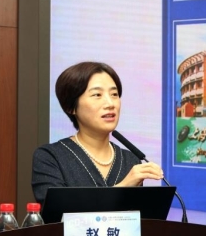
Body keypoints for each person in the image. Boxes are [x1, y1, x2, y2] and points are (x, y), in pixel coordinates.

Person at [31, 61, 164, 205]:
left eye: (114, 94)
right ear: (71, 107)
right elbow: (57, 212)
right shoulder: (50, 157)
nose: (110, 104)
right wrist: (123, 187)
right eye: (97, 95)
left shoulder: (130, 161)